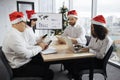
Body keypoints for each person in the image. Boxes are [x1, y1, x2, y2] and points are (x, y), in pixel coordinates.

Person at [2, 11, 54, 80]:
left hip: (23, 61)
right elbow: (26, 54)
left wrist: (41, 47)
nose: (26, 25)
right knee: (50, 73)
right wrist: (40, 47)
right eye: (24, 22)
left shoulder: (16, 33)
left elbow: (27, 46)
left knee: (45, 62)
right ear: (17, 23)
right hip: (19, 67)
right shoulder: (13, 36)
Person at [63, 15, 113, 80]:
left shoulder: (107, 40)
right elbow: (89, 47)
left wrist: (89, 50)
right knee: (70, 61)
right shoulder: (94, 36)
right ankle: (76, 76)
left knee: (75, 65)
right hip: (89, 57)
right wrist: (81, 47)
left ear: (99, 28)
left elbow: (101, 56)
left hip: (97, 62)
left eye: (93, 27)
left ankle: (76, 76)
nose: (91, 29)